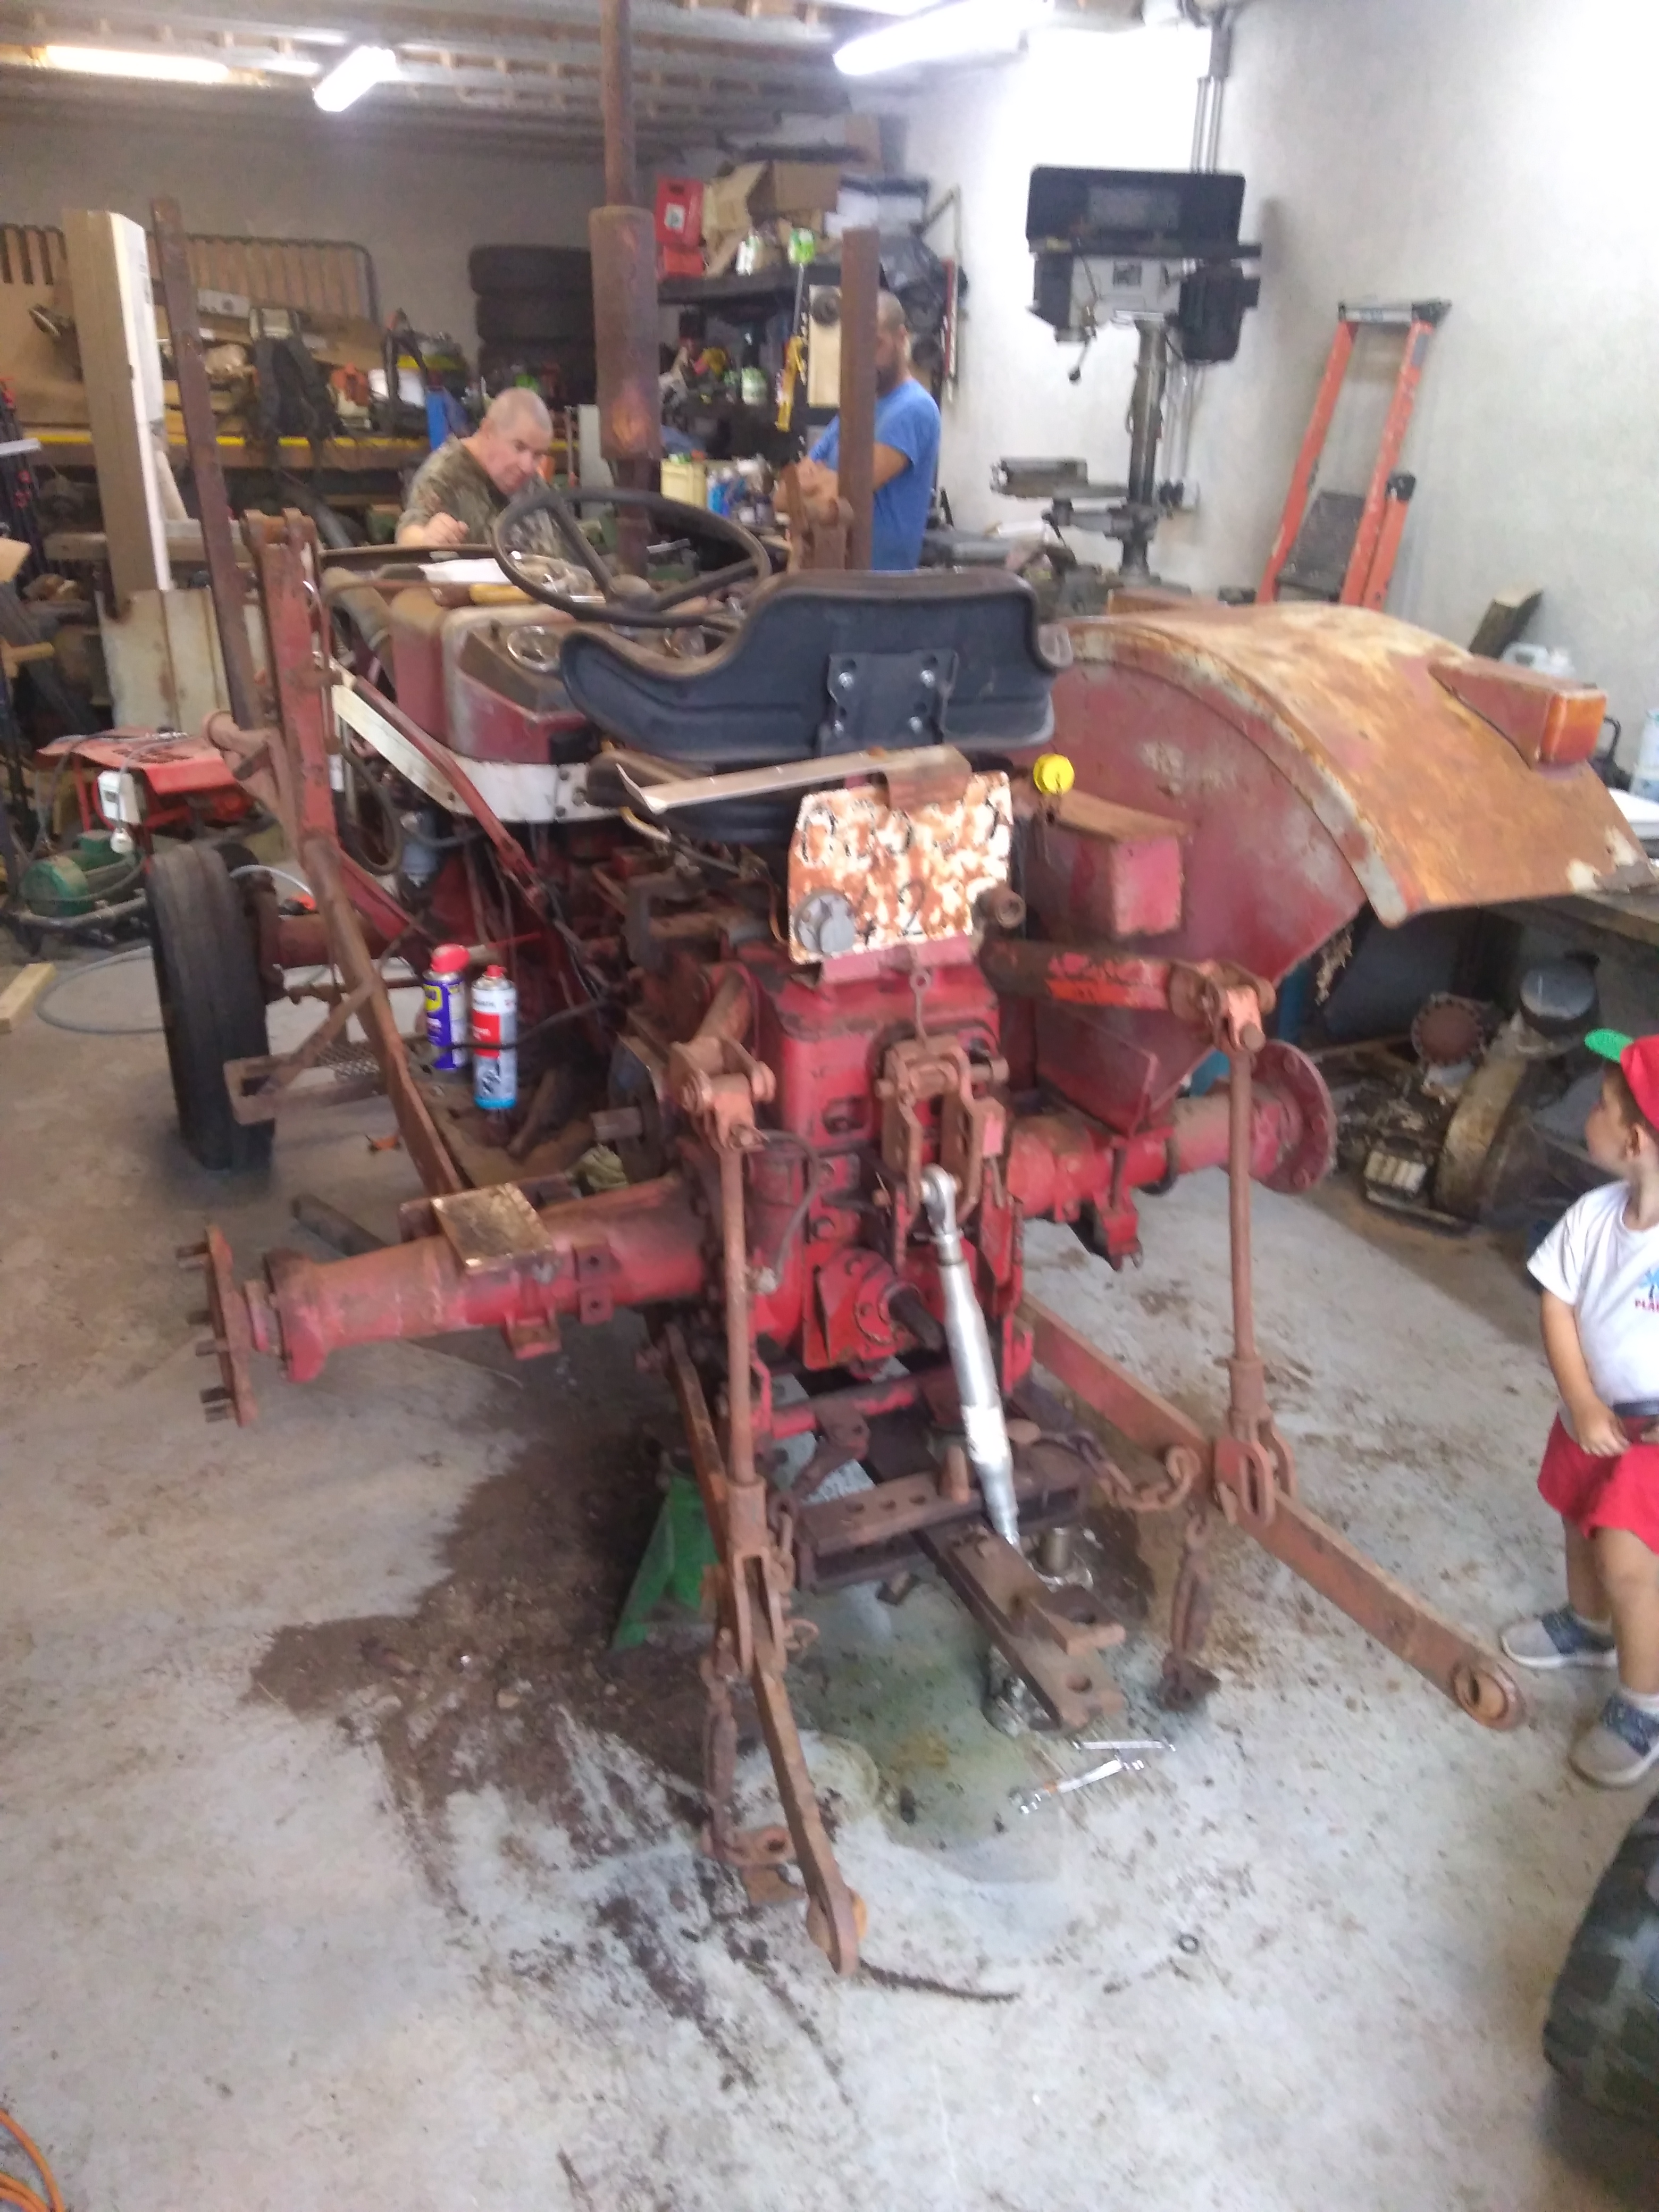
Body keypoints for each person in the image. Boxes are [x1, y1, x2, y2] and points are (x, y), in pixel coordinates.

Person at [1501, 1028, 1659, 1786]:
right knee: (1575, 1518)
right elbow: (1557, 1304)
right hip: (1588, 1416)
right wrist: (1581, 1397)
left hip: (1653, 1436)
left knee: (1628, 1559)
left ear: (1633, 1140)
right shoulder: (1595, 1215)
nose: (1586, 1115)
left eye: (1599, 1106)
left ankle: (1644, 1703)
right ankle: (1589, 1627)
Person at [795, 291, 940, 571]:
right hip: (834, 578)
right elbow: (784, 496)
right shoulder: (856, 410)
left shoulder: (915, 409)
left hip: (879, 588)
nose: (865, 358)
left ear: (901, 337)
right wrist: (821, 488)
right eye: (856, 345)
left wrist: (819, 484)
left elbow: (843, 497)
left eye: (875, 344)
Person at [396, 387, 552, 548]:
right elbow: (408, 537)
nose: (527, 466)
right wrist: (427, 538)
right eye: (519, 447)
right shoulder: (446, 476)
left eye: (538, 455)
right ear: (488, 431)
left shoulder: (529, 481)